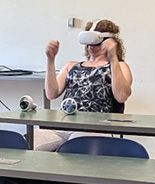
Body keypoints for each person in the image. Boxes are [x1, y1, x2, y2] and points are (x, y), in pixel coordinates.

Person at [34, 19, 132, 151]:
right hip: (62, 124)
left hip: (93, 126)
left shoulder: (119, 66)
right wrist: (50, 59)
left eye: (96, 42)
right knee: (28, 146)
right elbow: (51, 94)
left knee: (74, 153)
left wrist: (113, 57)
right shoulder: (71, 66)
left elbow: (121, 96)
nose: (91, 46)